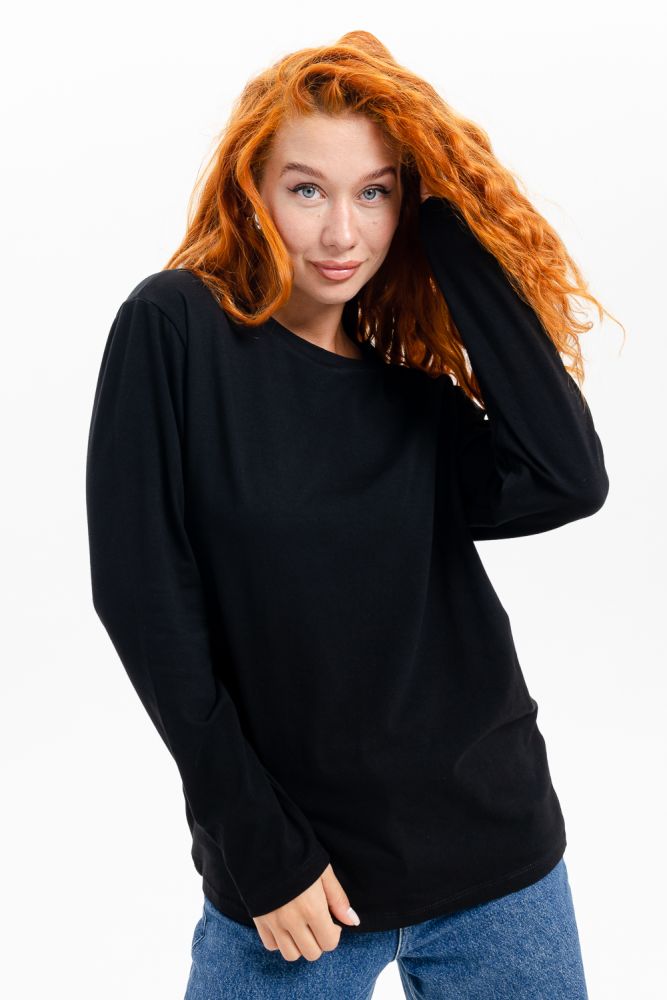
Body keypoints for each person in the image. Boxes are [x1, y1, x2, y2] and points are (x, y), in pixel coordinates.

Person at [85, 29, 617, 999]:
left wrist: (449, 223)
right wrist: (257, 845)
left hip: (497, 859)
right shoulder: (175, 330)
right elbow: (141, 599)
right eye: (307, 190)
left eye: (374, 193)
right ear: (252, 190)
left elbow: (567, 476)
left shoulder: (413, 404)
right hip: (296, 890)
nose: (342, 235)